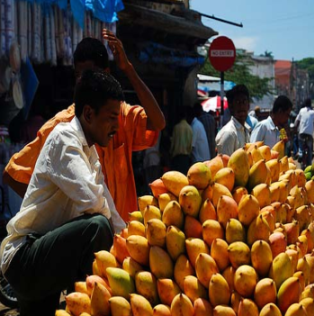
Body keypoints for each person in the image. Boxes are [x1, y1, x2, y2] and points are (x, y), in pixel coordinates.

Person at [2, 29, 165, 222]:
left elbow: (158, 123)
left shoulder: (120, 117)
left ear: (106, 75)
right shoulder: (61, 127)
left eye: (88, 75)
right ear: (87, 115)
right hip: (85, 246)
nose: (82, 82)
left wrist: (128, 68)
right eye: (78, 75)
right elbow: (14, 174)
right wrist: (51, 218)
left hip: (121, 240)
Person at [0, 70, 126, 316]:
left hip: (45, 256)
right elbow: (95, 202)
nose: (116, 126)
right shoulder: (64, 140)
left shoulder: (89, 152)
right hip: (24, 259)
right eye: (112, 117)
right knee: (97, 226)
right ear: (88, 114)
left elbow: (108, 205)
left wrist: (129, 241)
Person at [216, 85, 252, 156]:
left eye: (244, 102)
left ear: (248, 105)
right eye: (238, 102)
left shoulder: (247, 130)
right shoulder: (229, 133)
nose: (241, 106)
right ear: (231, 107)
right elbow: (225, 165)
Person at [170, 107, 193, 174]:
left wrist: (170, 153)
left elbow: (173, 144)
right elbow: (190, 146)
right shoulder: (189, 128)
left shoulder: (176, 128)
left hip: (176, 158)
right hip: (185, 158)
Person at [294, 98, 314, 167]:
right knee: (309, 148)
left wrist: (295, 129)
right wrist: (312, 130)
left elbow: (297, 121)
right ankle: (309, 163)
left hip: (302, 132)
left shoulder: (301, 110)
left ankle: (300, 154)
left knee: (300, 143)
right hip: (309, 134)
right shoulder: (313, 112)